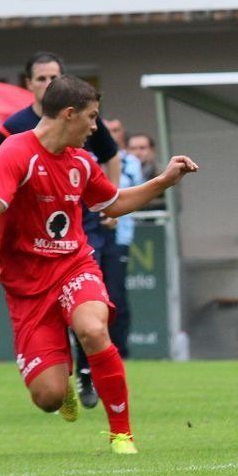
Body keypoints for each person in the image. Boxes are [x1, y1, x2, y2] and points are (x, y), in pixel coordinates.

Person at [0, 75, 198, 454]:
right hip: (27, 286)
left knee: (93, 329)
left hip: (73, 266)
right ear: (69, 114)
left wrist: (163, 181)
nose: (96, 127)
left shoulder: (81, 161)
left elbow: (114, 203)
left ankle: (121, 435)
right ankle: (61, 380)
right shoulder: (16, 151)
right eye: (92, 117)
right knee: (47, 397)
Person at [0, 51, 121, 409]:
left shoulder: (86, 122)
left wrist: (111, 204)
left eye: (54, 77)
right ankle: (59, 377)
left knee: (90, 318)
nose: (48, 83)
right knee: (48, 396)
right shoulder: (13, 131)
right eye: (42, 78)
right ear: (29, 84)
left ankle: (87, 375)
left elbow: (110, 155)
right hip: (27, 255)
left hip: (78, 233)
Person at [101, 118, 144, 358]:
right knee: (88, 296)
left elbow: (134, 193)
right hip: (89, 235)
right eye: (108, 129)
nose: (112, 134)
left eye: (116, 130)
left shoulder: (130, 162)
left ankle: (119, 350)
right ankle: (90, 352)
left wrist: (114, 210)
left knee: (116, 295)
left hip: (119, 236)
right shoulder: (88, 158)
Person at [126, 133, 165, 210]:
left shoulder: (163, 173)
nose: (137, 153)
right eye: (133, 149)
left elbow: (171, 202)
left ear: (152, 150)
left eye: (142, 148)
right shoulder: (121, 174)